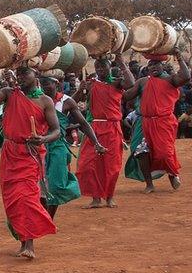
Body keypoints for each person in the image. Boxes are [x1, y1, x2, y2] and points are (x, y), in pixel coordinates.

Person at [0, 66, 61, 260]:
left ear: (35, 75)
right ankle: (23, 241)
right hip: (10, 153)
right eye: (18, 74)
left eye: (25, 73)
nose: (20, 77)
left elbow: (56, 131)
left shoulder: (45, 101)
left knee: (27, 196)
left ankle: (29, 244)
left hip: (30, 153)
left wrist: (43, 139)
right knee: (13, 200)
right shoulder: (9, 94)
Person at [124, 50, 191, 193]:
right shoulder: (143, 81)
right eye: (150, 65)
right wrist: (116, 85)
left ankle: (172, 173)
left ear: (162, 66)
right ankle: (149, 184)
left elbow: (186, 76)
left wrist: (178, 56)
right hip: (145, 123)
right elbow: (128, 95)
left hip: (164, 122)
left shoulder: (170, 79)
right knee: (140, 151)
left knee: (164, 153)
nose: (153, 67)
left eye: (156, 65)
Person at [39, 77, 105, 218]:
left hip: (57, 147)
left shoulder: (67, 101)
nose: (45, 87)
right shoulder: (36, 99)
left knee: (55, 185)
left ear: (57, 83)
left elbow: (83, 123)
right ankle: (41, 217)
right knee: (39, 185)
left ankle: (49, 218)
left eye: (47, 84)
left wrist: (96, 143)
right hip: (38, 146)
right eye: (42, 84)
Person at [75, 56, 135, 208]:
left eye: (103, 67)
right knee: (87, 164)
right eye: (98, 67)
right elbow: (78, 100)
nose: (100, 70)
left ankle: (109, 197)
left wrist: (121, 62)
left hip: (112, 128)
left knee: (111, 165)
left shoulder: (116, 82)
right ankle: (95, 199)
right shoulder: (91, 84)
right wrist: (81, 88)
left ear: (109, 67)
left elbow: (131, 84)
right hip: (94, 127)